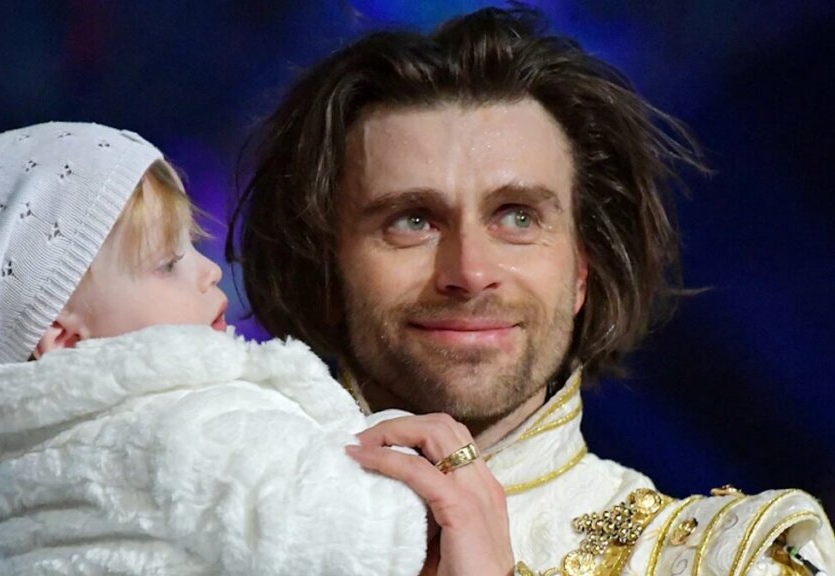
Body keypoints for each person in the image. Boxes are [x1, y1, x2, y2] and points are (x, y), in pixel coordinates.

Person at [230, 6, 834, 576]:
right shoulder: (206, 533)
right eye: (412, 221)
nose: (470, 272)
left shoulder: (737, 559)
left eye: (518, 217)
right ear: (325, 269)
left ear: (582, 270)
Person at [0, 122, 431, 575]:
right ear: (65, 339)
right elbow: (365, 541)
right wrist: (416, 458)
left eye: (192, 248)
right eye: (167, 264)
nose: (208, 272)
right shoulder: (197, 428)